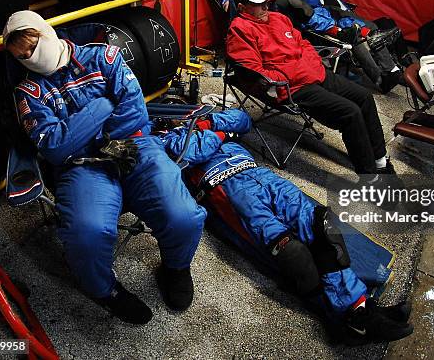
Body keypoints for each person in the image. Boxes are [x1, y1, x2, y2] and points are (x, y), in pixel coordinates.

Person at [3, 11, 207, 324]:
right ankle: (105, 291)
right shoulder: (28, 93)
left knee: (184, 215)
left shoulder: (104, 57)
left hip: (136, 147)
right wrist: (103, 105)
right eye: (21, 56)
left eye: (31, 46)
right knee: (86, 234)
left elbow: (136, 112)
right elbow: (55, 146)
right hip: (83, 166)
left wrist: (83, 130)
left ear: (45, 31)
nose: (30, 57)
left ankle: (176, 268)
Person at [159, 108, 414, 345]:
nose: (181, 115)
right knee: (290, 251)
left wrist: (212, 123)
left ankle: (361, 311)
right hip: (224, 187)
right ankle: (346, 320)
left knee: (321, 224)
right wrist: (219, 133)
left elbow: (243, 119)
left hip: (261, 175)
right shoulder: (165, 138)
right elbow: (191, 152)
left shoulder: (206, 119)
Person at [226, 0, 398, 177]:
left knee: (365, 97)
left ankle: (380, 161)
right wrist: (287, 76)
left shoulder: (279, 18)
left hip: (315, 73)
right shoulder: (239, 29)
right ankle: (370, 176)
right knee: (350, 112)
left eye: (266, 1)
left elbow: (303, 43)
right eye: (258, 4)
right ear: (241, 8)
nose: (266, 7)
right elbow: (251, 69)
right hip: (293, 87)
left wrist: (313, 62)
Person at [271, 0, 405, 93]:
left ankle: (391, 70)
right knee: (359, 36)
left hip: (334, 13)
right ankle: (382, 76)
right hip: (318, 17)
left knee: (370, 33)